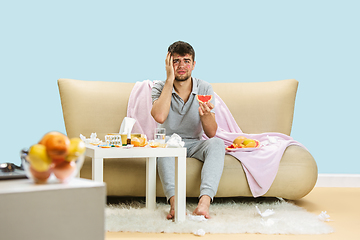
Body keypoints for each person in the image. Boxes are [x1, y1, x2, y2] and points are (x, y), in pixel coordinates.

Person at [151, 41, 225, 219]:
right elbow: (159, 116)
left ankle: (204, 204)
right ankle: (175, 205)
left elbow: (211, 133)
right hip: (169, 142)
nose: (182, 66)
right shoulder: (159, 87)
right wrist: (170, 79)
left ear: (193, 64)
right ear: (168, 63)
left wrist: (206, 115)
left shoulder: (204, 88)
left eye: (186, 60)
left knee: (217, 143)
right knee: (164, 147)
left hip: (194, 143)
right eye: (176, 61)